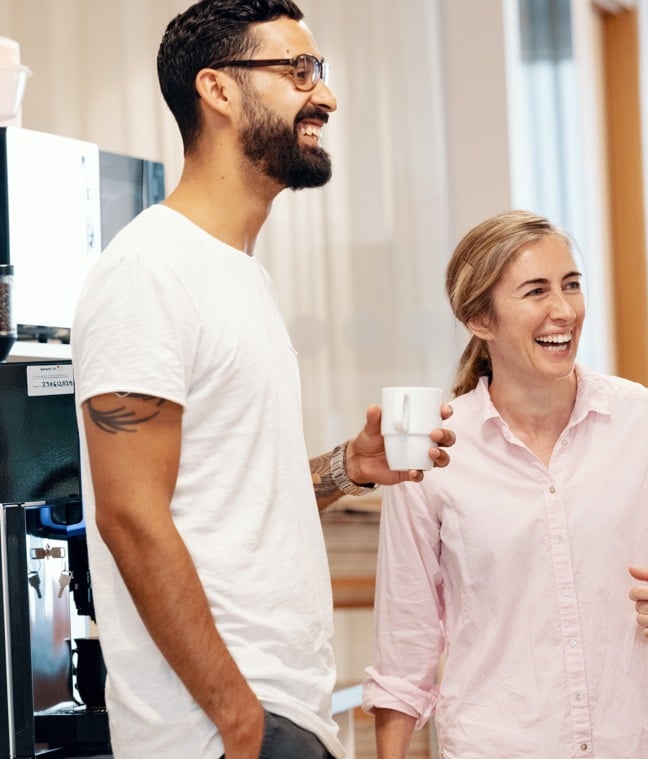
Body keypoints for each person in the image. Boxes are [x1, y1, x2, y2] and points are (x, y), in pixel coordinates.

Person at [71, 2, 454, 758]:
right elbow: (131, 519)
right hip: (218, 726)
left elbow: (230, 498)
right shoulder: (146, 272)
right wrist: (239, 720)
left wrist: (349, 466)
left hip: (276, 712)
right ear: (216, 89)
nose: (326, 97)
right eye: (298, 71)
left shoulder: (242, 277)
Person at [361, 210, 648, 758]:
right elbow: (405, 643)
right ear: (479, 318)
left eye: (572, 285)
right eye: (536, 291)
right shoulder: (433, 449)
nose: (563, 311)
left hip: (638, 744)